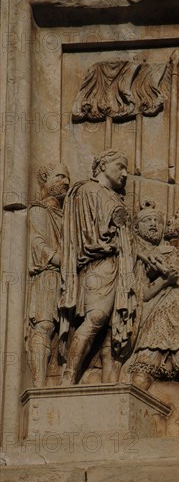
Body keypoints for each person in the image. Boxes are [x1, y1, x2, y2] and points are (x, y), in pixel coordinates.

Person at [121, 201, 179, 436]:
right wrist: (165, 281)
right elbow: (142, 294)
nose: (154, 224)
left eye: (158, 221)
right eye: (148, 221)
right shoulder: (143, 256)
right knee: (140, 379)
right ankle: (123, 434)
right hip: (159, 322)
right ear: (137, 228)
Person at [59, 149, 135, 385]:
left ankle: (109, 381)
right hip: (99, 264)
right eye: (120, 166)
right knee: (96, 318)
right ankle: (68, 376)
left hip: (118, 265)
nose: (125, 174)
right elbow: (103, 229)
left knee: (112, 328)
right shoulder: (90, 190)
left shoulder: (110, 195)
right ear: (103, 166)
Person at [26, 162, 70, 387]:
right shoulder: (39, 210)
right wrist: (58, 258)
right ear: (46, 179)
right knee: (44, 325)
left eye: (67, 178)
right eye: (60, 177)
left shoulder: (68, 217)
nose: (66, 182)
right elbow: (37, 243)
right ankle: (38, 385)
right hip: (49, 274)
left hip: (70, 277)